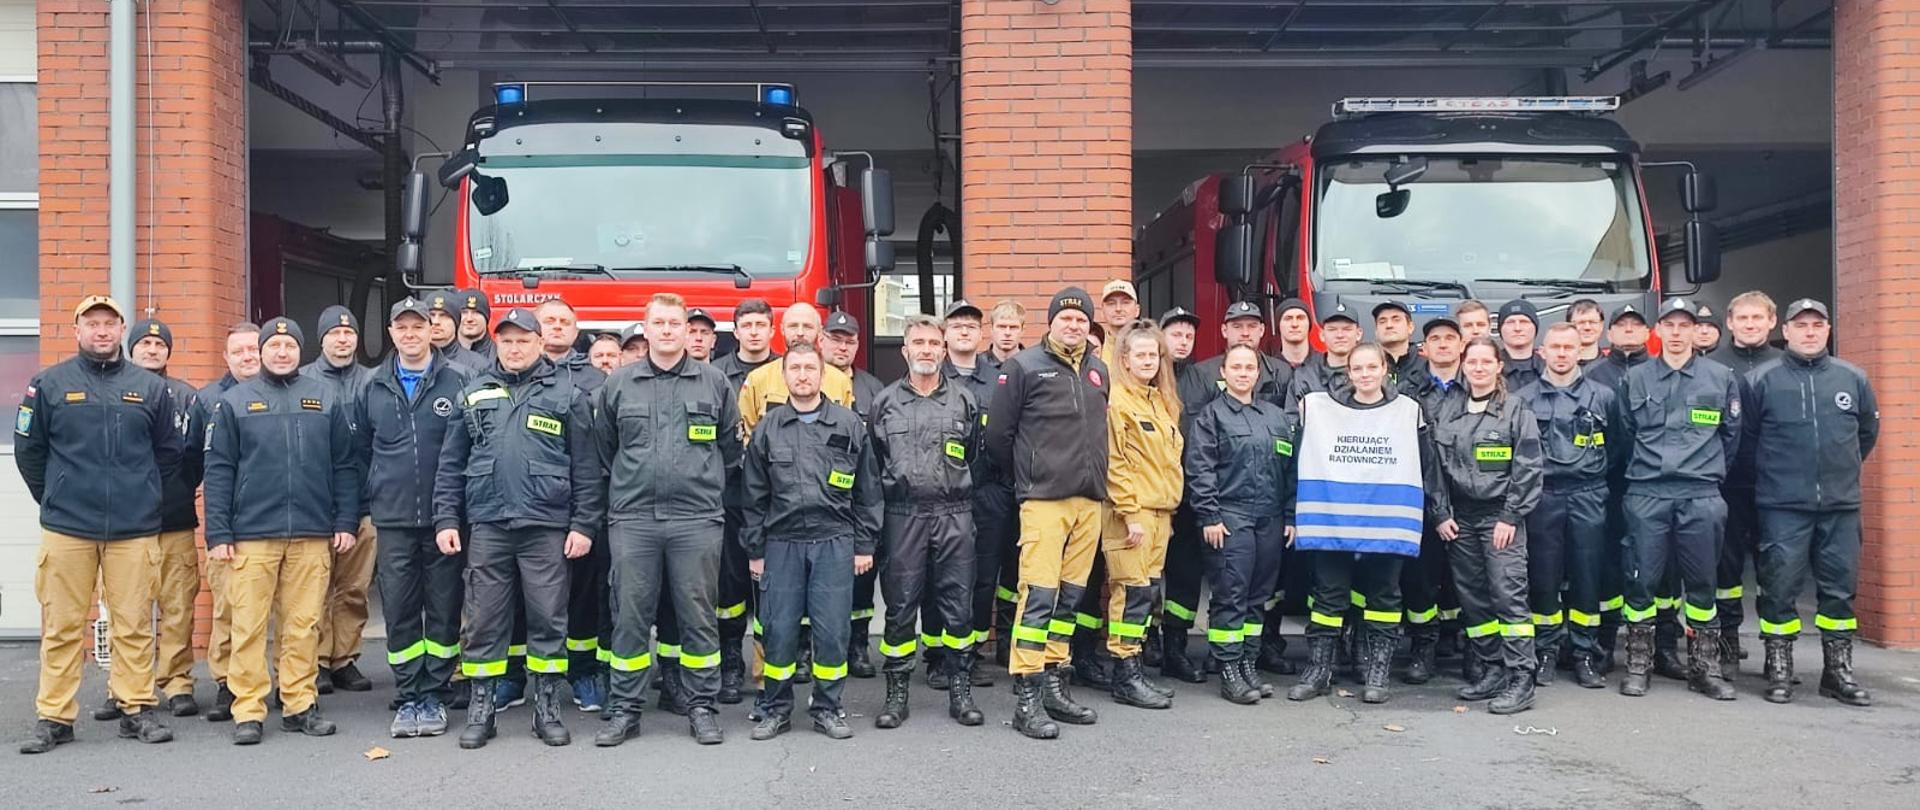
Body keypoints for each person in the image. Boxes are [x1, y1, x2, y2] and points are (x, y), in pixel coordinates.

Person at [15, 295, 182, 754]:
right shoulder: (48, 384)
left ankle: (136, 708)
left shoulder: (149, 388)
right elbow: (29, 451)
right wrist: (55, 495)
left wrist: (143, 495)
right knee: (62, 626)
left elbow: (169, 453)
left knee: (134, 623)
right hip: (68, 528)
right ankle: (55, 717)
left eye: (110, 323)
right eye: (92, 324)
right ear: (77, 331)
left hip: (134, 529)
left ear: (122, 329)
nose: (102, 331)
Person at [435, 308, 602, 749]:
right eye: (506, 340)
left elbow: (586, 469)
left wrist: (584, 525)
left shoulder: (568, 395)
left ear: (540, 343)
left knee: (548, 617)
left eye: (523, 340)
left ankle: (546, 709)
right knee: (485, 620)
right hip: (489, 524)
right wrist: (446, 519)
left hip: (546, 526)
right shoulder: (474, 393)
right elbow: (451, 465)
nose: (514, 348)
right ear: (498, 344)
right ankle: (482, 709)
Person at [203, 316, 361, 745]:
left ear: (299, 351)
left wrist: (345, 521)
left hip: (311, 533)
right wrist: (219, 534)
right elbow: (218, 471)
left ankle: (299, 703)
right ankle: (248, 709)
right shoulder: (234, 402)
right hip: (252, 536)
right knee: (248, 626)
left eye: (290, 345)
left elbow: (346, 466)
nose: (281, 352)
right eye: (273, 346)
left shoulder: (324, 398)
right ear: (261, 352)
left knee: (303, 625)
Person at [592, 293, 741, 747]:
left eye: (675, 323)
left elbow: (729, 449)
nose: (668, 330)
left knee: (698, 616)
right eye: (659, 323)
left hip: (696, 519)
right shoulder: (619, 384)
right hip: (634, 518)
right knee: (630, 616)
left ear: (686, 329)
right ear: (646, 328)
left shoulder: (714, 383)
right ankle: (625, 709)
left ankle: (702, 707)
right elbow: (606, 449)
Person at [1288, 343, 1448, 705]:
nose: (1364, 375)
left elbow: (1428, 465)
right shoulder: (1319, 408)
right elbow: (1298, 460)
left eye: (1371, 367)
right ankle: (1318, 671)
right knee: (1328, 596)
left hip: (1387, 522)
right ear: (1348, 373)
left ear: (1384, 370)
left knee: (1383, 597)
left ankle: (1378, 673)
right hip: (1333, 520)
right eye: (1357, 368)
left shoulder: (1408, 410)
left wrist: (1440, 512)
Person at [985, 287, 1110, 740]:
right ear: (1051, 322)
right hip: (1043, 501)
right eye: (1066, 318)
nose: (1073, 326)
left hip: (1088, 502)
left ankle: (1056, 685)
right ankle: (1028, 696)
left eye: (1081, 320)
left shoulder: (1098, 370)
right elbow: (998, 437)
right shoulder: (1023, 367)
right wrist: (1031, 474)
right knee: (1038, 597)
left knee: (1070, 599)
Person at [743, 343, 884, 741]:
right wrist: (755, 550)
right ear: (784, 375)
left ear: (823, 375)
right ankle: (776, 708)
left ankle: (828, 707)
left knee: (832, 631)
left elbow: (868, 490)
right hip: (781, 543)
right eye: (795, 368)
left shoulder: (848, 424)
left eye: (810, 368)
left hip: (833, 541)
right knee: (778, 630)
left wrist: (864, 544)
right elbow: (753, 495)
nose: (803, 375)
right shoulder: (769, 427)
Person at [1743, 299, 1877, 706]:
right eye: (1801, 325)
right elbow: (1747, 442)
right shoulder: (1761, 380)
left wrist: (1838, 473)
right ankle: (1780, 670)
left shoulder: (1852, 378)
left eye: (1817, 325)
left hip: (1840, 505)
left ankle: (1837, 672)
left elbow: (1866, 434)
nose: (1809, 332)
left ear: (1828, 330)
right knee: (1779, 589)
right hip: (1782, 506)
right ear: (1785, 330)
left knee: (1839, 591)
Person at [356, 297, 474, 738]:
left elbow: (471, 449)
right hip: (393, 519)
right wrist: (365, 506)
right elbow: (359, 454)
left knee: (444, 608)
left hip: (445, 520)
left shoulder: (459, 380)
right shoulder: (371, 386)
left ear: (431, 330)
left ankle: (436, 693)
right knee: (400, 609)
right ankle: (409, 695)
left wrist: (458, 511)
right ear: (391, 333)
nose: (410, 334)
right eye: (401, 327)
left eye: (418, 326)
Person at [1616, 299, 1742, 701]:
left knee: (1703, 584)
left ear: (1695, 331)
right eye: (1668, 325)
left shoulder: (1720, 378)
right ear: (1658, 331)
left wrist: (1705, 471)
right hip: (1647, 492)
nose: (1676, 332)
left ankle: (1705, 668)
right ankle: (1639, 665)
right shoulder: (1635, 378)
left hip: (1700, 494)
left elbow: (1731, 438)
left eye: (1683, 325)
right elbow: (1624, 434)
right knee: (1641, 582)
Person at [869, 314, 983, 727]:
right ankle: (896, 693)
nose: (927, 350)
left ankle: (960, 690)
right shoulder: (884, 403)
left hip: (954, 514)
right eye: (918, 343)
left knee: (958, 606)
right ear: (905, 350)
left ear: (944, 349)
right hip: (903, 516)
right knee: (900, 605)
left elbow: (974, 456)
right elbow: (874, 464)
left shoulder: (964, 400)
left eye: (934, 343)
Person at [1431, 338, 1545, 715]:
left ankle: (1521, 677)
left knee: (1508, 596)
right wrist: (1441, 513)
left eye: (1486, 362)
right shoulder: (1449, 410)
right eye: (1472, 362)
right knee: (1473, 598)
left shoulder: (1515, 410)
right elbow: (1435, 467)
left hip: (1500, 517)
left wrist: (1511, 516)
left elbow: (1528, 468)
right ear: (1463, 366)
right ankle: (1492, 668)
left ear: (1499, 367)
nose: (1478, 368)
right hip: (1460, 518)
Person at [1186, 343, 1294, 705]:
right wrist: (1209, 515)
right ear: (1224, 373)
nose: (1244, 373)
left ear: (1258, 374)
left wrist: (1290, 515)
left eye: (1249, 367)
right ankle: (1229, 670)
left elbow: (1289, 470)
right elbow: (1200, 469)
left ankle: (1248, 662)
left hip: (1270, 518)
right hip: (1230, 517)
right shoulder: (1211, 416)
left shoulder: (1274, 417)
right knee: (1231, 595)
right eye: (1236, 367)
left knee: (1258, 597)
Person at [1513, 323, 1619, 690]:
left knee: (1587, 576)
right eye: (1555, 347)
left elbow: (1618, 445)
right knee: (1543, 577)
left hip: (1589, 493)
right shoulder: (1523, 399)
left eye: (1568, 347)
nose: (1561, 354)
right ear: (1542, 351)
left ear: (1581, 351)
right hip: (1543, 496)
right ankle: (1545, 650)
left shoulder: (1603, 396)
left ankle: (1583, 653)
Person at [119, 318, 205, 719]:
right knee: (128, 611)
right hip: (125, 526)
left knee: (178, 607)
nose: (152, 350)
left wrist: (179, 488)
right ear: (131, 348)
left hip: (175, 520)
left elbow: (197, 456)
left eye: (159, 344)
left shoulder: (188, 398)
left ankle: (177, 683)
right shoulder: (115, 393)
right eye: (145, 343)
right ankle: (125, 686)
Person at [530, 298, 609, 710]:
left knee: (583, 595)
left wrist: (589, 514)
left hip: (581, 503)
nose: (557, 327)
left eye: (564, 321)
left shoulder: (597, 381)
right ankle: (515, 677)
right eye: (549, 321)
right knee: (520, 599)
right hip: (532, 507)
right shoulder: (514, 373)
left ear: (577, 332)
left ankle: (582, 672)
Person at [1101, 323, 1184, 710]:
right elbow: (1115, 462)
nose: (1149, 361)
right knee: (1131, 593)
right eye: (1141, 355)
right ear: (1125, 359)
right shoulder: (1118, 401)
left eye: (1154, 354)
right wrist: (1130, 513)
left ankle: (1133, 668)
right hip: (1131, 515)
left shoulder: (1158, 402)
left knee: (1146, 593)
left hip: (1159, 514)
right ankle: (1124, 673)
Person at [300, 305, 379, 696]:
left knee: (353, 589)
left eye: (349, 334)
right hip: (316, 505)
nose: (343, 340)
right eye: (335, 333)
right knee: (313, 590)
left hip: (364, 503)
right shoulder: (303, 382)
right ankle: (315, 661)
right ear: (322, 339)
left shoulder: (374, 382)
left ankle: (344, 659)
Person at [943, 300, 1015, 685]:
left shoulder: (1000, 379)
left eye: (971, 325)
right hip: (944, 497)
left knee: (985, 577)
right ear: (946, 334)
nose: (964, 331)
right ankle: (942, 654)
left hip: (989, 492)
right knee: (946, 575)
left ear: (980, 332)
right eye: (957, 325)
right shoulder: (934, 377)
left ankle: (971, 652)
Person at [1710, 291, 1783, 668]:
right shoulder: (1711, 366)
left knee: (1775, 569)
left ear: (1772, 321)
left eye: (1757, 318)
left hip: (1777, 486)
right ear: (1730, 322)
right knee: (1726, 568)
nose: (1750, 324)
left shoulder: (1786, 365)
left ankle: (1776, 652)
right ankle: (1727, 640)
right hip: (1727, 483)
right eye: (1743, 318)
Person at [712, 298, 777, 704]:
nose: (754, 332)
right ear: (735, 331)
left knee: (771, 587)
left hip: (776, 497)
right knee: (730, 586)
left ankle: (769, 668)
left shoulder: (787, 372)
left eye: (760, 325)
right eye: (746, 325)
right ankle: (730, 664)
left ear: (772, 330)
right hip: (730, 494)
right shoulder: (715, 374)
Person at [198, 321, 261, 723]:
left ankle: (274, 682)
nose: (247, 357)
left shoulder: (288, 394)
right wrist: (216, 526)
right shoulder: (208, 400)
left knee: (275, 614)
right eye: (238, 351)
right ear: (226, 357)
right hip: (230, 524)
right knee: (227, 609)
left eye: (253, 349)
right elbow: (196, 461)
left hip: (271, 522)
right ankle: (226, 683)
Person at [1583, 303, 1650, 673]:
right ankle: (1605, 643)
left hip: (1650, 485)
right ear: (1609, 334)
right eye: (1621, 325)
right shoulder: (1592, 376)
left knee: (1653, 565)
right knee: (1607, 565)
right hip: (1607, 486)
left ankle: (1660, 645)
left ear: (1647, 333)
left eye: (1635, 325)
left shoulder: (1659, 372)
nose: (1628, 330)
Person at [1400, 317, 1467, 685]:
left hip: (1469, 499)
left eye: (1450, 338)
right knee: (1421, 580)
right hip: (1423, 501)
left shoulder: (1478, 387)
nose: (1443, 344)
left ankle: (1469, 648)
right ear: (1423, 348)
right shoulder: (1408, 393)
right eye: (1435, 339)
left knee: (1467, 581)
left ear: (1461, 345)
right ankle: (1422, 647)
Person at [822, 310, 886, 678]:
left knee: (862, 578)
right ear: (822, 341)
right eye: (835, 339)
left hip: (858, 496)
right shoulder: (808, 380)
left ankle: (858, 645)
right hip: (820, 498)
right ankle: (811, 648)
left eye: (849, 341)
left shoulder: (873, 389)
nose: (842, 347)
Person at [740, 303, 853, 434]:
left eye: (807, 327)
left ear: (820, 331)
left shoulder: (840, 381)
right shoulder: (757, 379)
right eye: (793, 326)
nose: (800, 333)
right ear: (782, 329)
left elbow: (847, 431)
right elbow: (746, 437)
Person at [1290, 303, 1361, 400]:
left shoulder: (1370, 374)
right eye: (1332, 329)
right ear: (1322, 335)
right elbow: (1292, 409)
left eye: (1347, 329)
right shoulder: (1305, 376)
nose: (1340, 335)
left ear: (1358, 334)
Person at [1374, 301, 1429, 394]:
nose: (1389, 325)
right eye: (1382, 321)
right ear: (1376, 331)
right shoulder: (1366, 363)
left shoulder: (1427, 360)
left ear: (1410, 327)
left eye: (1396, 320)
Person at [430, 292, 487, 372]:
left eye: (443, 315)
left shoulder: (478, 365)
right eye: (432, 315)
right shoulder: (414, 360)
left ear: (456, 322)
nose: (435, 321)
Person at [1496, 299, 1543, 390]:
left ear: (1535, 327)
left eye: (1524, 322)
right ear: (1500, 329)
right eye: (1510, 322)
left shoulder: (1549, 367)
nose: (1517, 328)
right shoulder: (1490, 368)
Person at [1096, 279, 1141, 369]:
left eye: (1125, 302)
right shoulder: (1095, 349)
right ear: (1102, 311)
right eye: (1111, 303)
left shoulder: (1150, 345)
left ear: (1137, 310)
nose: (1118, 308)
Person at [456, 289, 496, 363]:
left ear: (486, 318)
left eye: (476, 313)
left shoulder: (499, 357)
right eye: (464, 312)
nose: (469, 319)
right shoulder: (442, 355)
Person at [1275, 298, 1313, 369]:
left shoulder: (1324, 366)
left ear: (1309, 324)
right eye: (1288, 319)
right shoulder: (1268, 369)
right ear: (1278, 325)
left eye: (1300, 318)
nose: (1294, 324)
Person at [1568, 299, 1606, 365]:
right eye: (1581, 322)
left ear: (1601, 325)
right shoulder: (1553, 367)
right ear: (1568, 325)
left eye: (1593, 322)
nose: (1587, 327)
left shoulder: (1616, 367)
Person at [988, 299, 1026, 365]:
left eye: (1013, 327)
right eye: (1001, 327)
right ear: (991, 329)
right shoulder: (976, 365)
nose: (1007, 333)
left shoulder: (1033, 364)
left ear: (1022, 330)